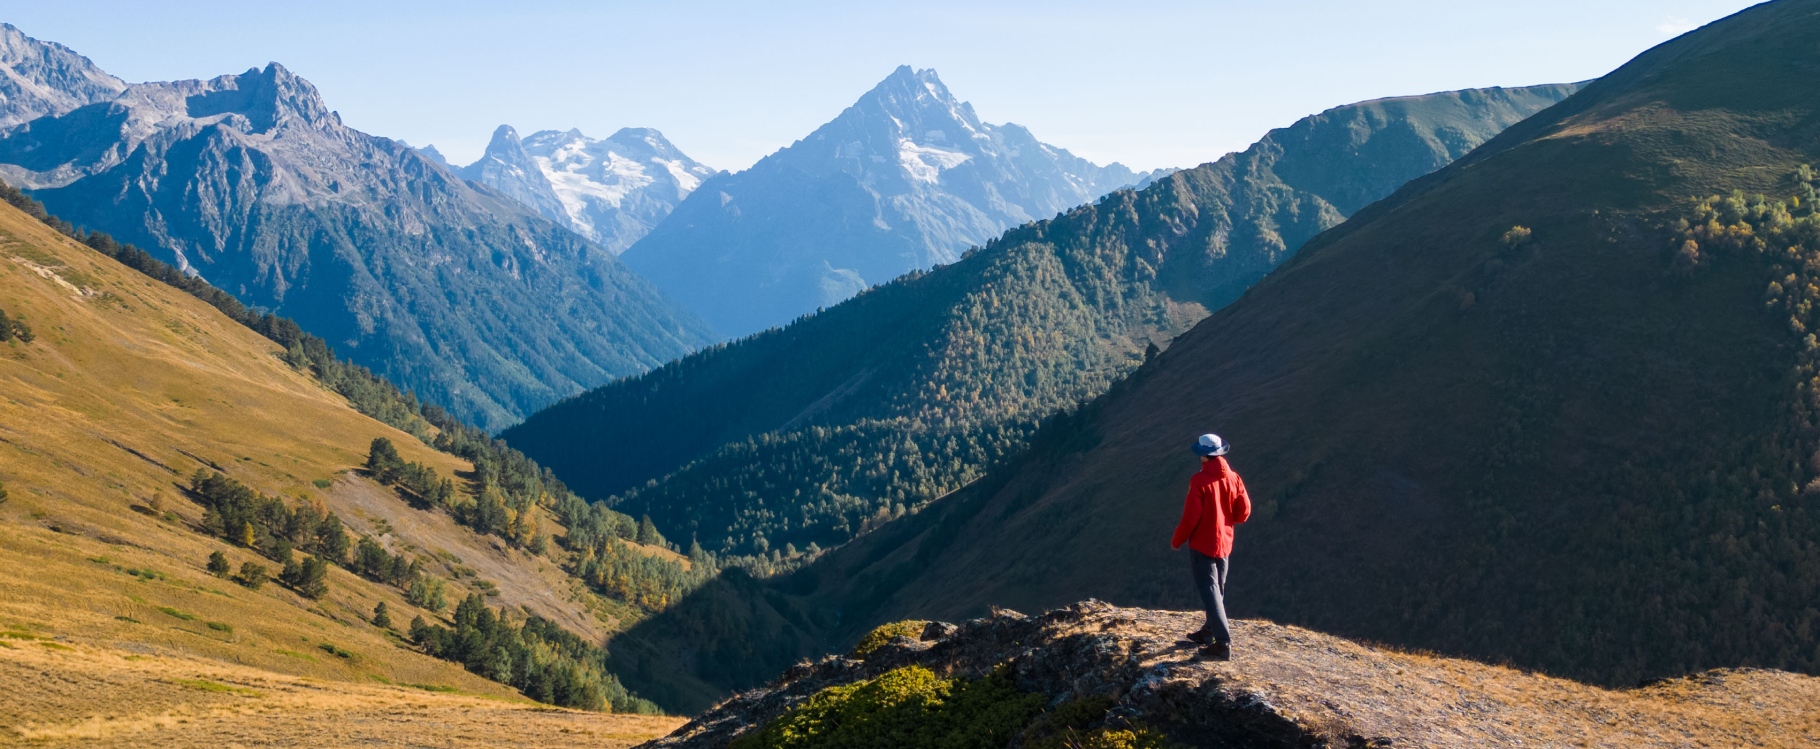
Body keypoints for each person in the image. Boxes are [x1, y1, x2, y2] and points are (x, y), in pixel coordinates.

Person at [1170, 433, 1252, 661]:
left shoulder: (1199, 481)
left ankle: (1223, 643)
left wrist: (1177, 540)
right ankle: (1208, 631)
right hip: (1225, 542)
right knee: (1218, 590)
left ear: (1203, 455)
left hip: (1202, 545)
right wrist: (1227, 520)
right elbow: (1244, 511)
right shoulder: (1234, 477)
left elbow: (1190, 519)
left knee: (1210, 591)